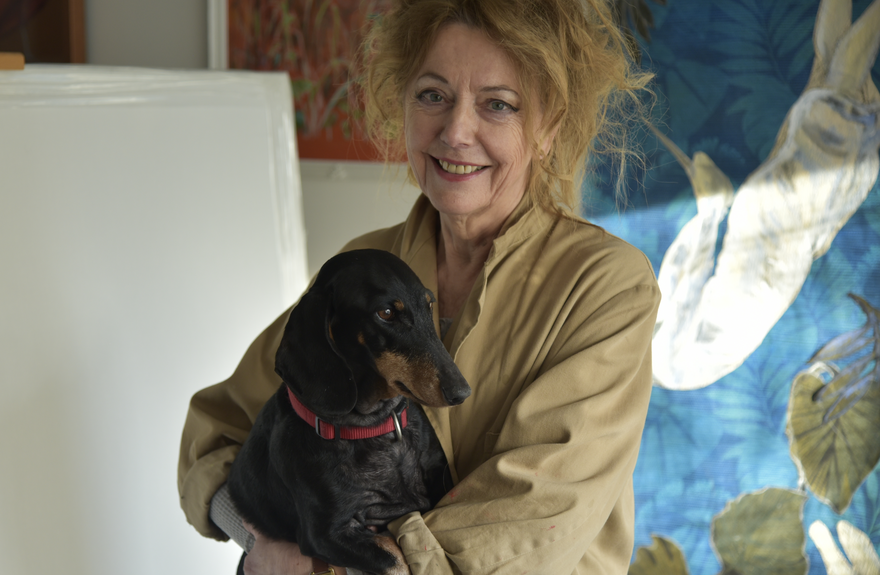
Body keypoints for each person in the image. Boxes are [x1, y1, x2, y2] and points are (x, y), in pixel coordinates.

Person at [178, 0, 660, 573]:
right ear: (403, 105)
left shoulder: (605, 287)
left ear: (548, 126)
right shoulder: (362, 268)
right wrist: (257, 541)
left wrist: (323, 565)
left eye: (498, 104)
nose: (455, 132)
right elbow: (215, 434)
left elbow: (526, 523)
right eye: (433, 95)